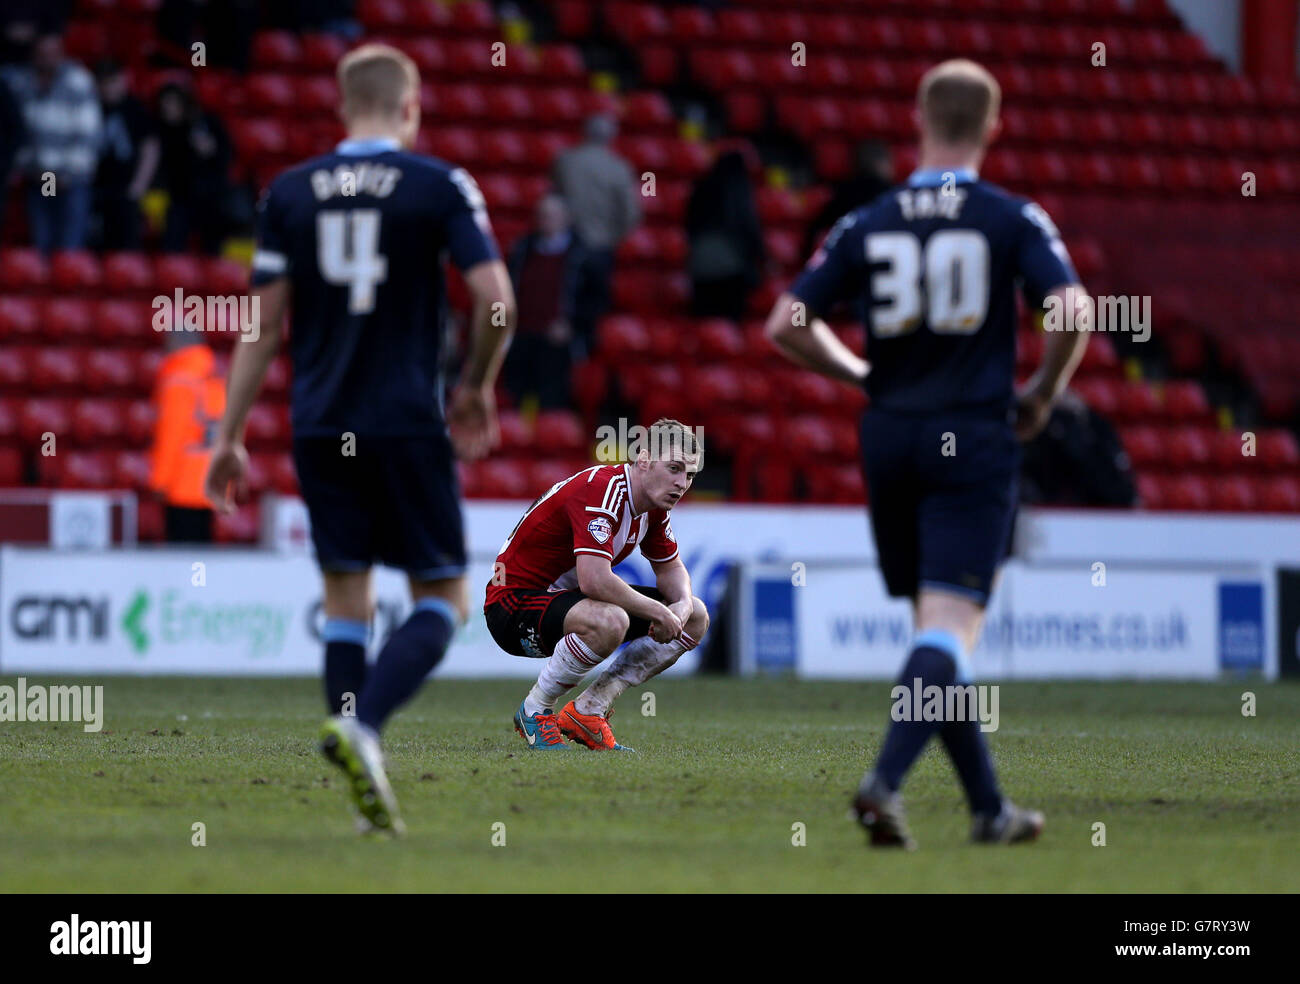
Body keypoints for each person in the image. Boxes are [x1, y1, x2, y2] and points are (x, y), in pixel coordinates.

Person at [765, 59, 1090, 849]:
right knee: (947, 628)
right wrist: (1043, 391)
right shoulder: (1012, 217)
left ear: (918, 118)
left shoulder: (869, 220)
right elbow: (1073, 308)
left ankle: (989, 809)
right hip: (972, 434)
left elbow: (785, 324)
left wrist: (858, 373)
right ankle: (884, 781)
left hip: (890, 435)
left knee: (934, 630)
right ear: (993, 126)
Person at [204, 43, 515, 835]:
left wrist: (230, 434)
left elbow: (262, 326)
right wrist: (476, 385)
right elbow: (497, 298)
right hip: (407, 419)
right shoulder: (438, 185)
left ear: (343, 109)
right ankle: (364, 727)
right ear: (410, 108)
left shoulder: (290, 192)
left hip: (320, 421)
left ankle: (363, 789)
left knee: (347, 598)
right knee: (443, 598)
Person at [484, 419, 709, 752]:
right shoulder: (604, 489)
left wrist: (682, 606)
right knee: (610, 620)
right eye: (674, 468)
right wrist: (659, 612)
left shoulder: (653, 504)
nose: (681, 483)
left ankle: (589, 709)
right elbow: (595, 580)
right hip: (511, 606)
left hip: (562, 602)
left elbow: (673, 568)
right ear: (644, 460)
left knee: (696, 617)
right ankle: (535, 708)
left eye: (689, 475)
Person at [550, 114, 640, 353]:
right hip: (601, 246)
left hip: (567, 244)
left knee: (563, 302)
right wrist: (613, 236)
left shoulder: (565, 160)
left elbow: (553, 199)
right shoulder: (620, 168)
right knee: (593, 307)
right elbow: (631, 213)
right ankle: (584, 355)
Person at [3, 33, 101, 253]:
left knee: (69, 245)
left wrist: (67, 173)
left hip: (69, 178)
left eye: (50, 54)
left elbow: (89, 134)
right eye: (41, 54)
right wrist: (28, 167)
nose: (45, 59)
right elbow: (19, 132)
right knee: (42, 242)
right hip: (39, 176)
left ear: (61, 55)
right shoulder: (22, 82)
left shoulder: (78, 81)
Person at [503, 193, 586, 409]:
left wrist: (573, 326)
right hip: (521, 336)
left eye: (551, 215)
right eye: (542, 215)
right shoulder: (522, 249)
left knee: (551, 404)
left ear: (566, 218)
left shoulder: (581, 255)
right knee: (515, 399)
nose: (545, 220)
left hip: (556, 343)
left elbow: (593, 300)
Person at [149, 332, 223, 543]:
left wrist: (160, 482)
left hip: (182, 485)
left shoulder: (179, 381)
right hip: (211, 484)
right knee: (201, 561)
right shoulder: (214, 379)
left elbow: (171, 436)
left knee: (180, 561)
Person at [685, 146, 765, 321]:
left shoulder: (702, 186)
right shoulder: (737, 188)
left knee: (705, 323)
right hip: (730, 266)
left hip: (700, 265)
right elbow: (747, 225)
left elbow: (689, 227)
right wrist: (762, 257)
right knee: (728, 326)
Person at [155, 81, 236, 254]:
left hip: (210, 196)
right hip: (180, 198)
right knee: (172, 248)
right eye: (164, 103)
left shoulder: (205, 122)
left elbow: (225, 155)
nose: (167, 108)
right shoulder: (162, 130)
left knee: (212, 249)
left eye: (172, 102)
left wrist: (211, 150)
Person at [93, 59, 160, 251]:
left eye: (112, 81)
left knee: (126, 246)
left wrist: (138, 186)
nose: (108, 88)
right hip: (95, 188)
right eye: (103, 82)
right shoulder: (90, 107)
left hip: (126, 189)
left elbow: (150, 149)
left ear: (122, 80)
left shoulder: (135, 109)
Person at [800, 138, 893, 263]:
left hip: (848, 264)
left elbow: (817, 227)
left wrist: (805, 257)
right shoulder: (891, 195)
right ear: (880, 163)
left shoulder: (843, 193)